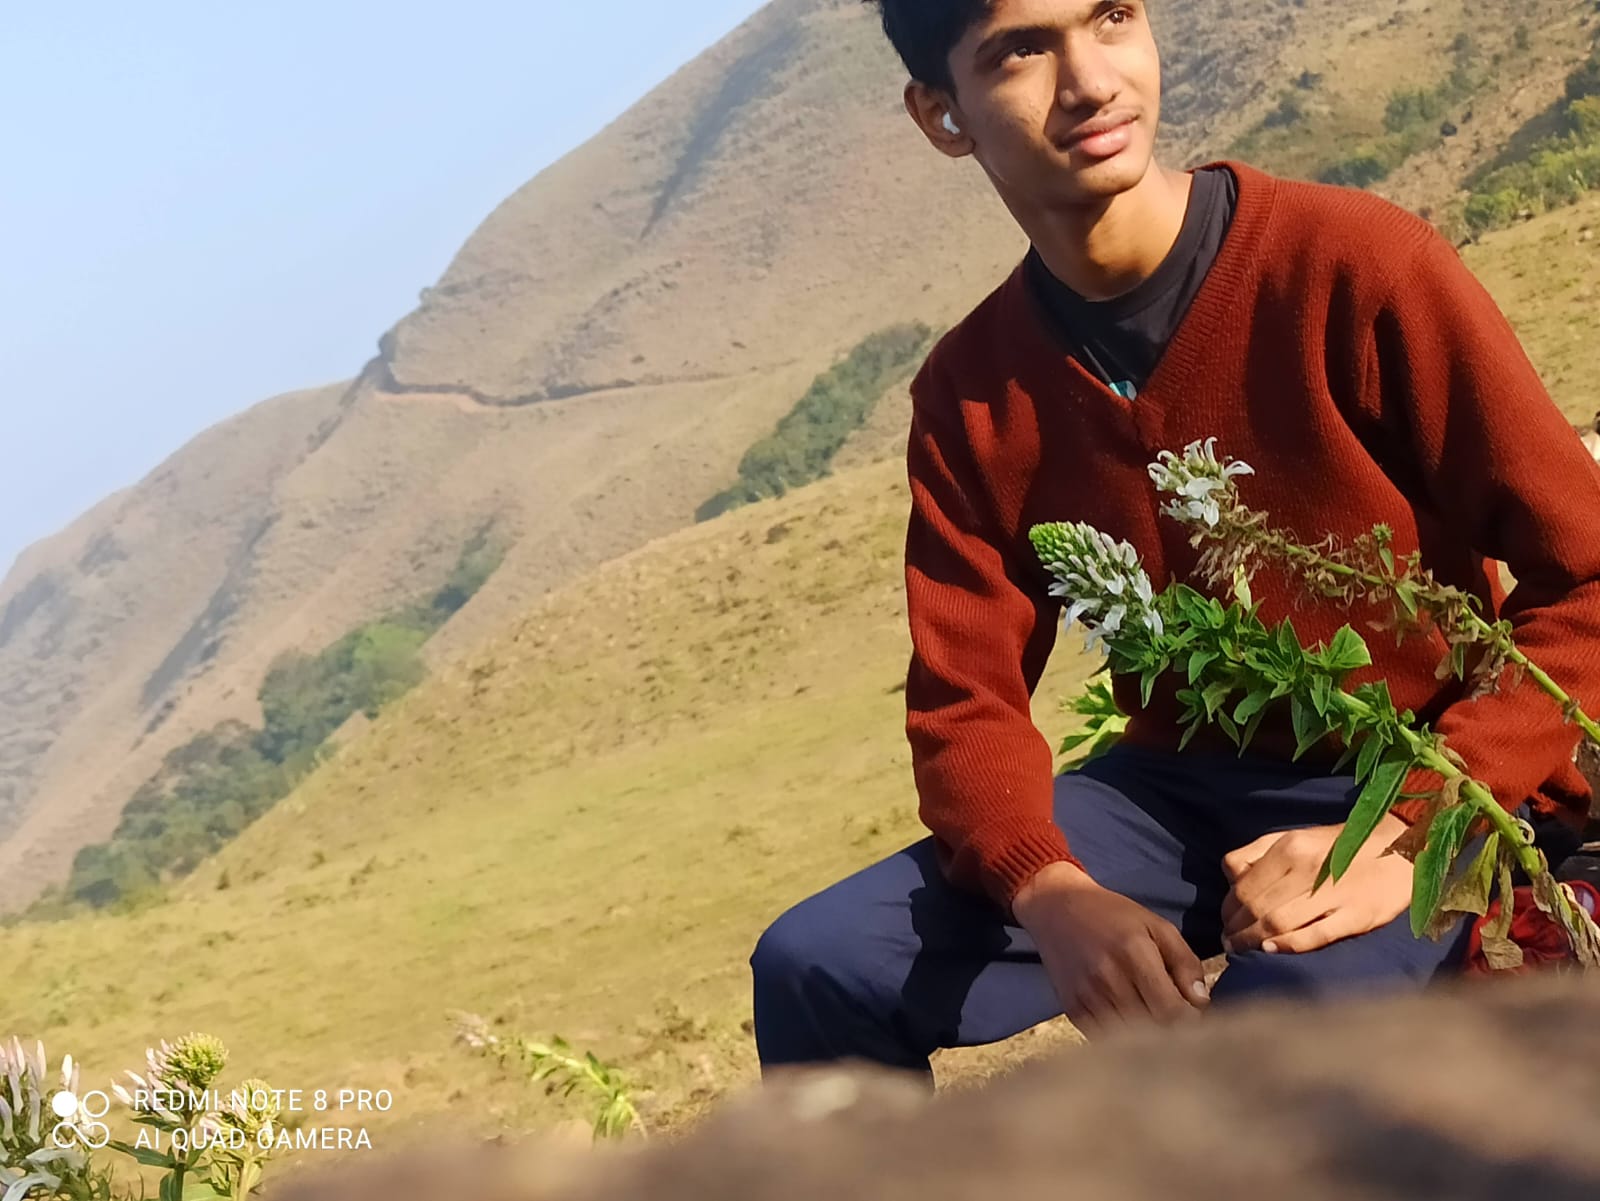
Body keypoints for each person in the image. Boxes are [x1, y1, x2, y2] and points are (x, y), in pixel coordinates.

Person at [747, 0, 1600, 1079]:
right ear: (941, 115)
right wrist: (1050, 891)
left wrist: (1413, 829)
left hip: (1429, 769)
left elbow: (1588, 572)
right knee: (815, 964)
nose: (1090, 81)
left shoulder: (1354, 262)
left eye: (1110, 17)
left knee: (1267, 1036)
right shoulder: (970, 391)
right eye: (1020, 51)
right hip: (1171, 798)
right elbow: (965, 706)